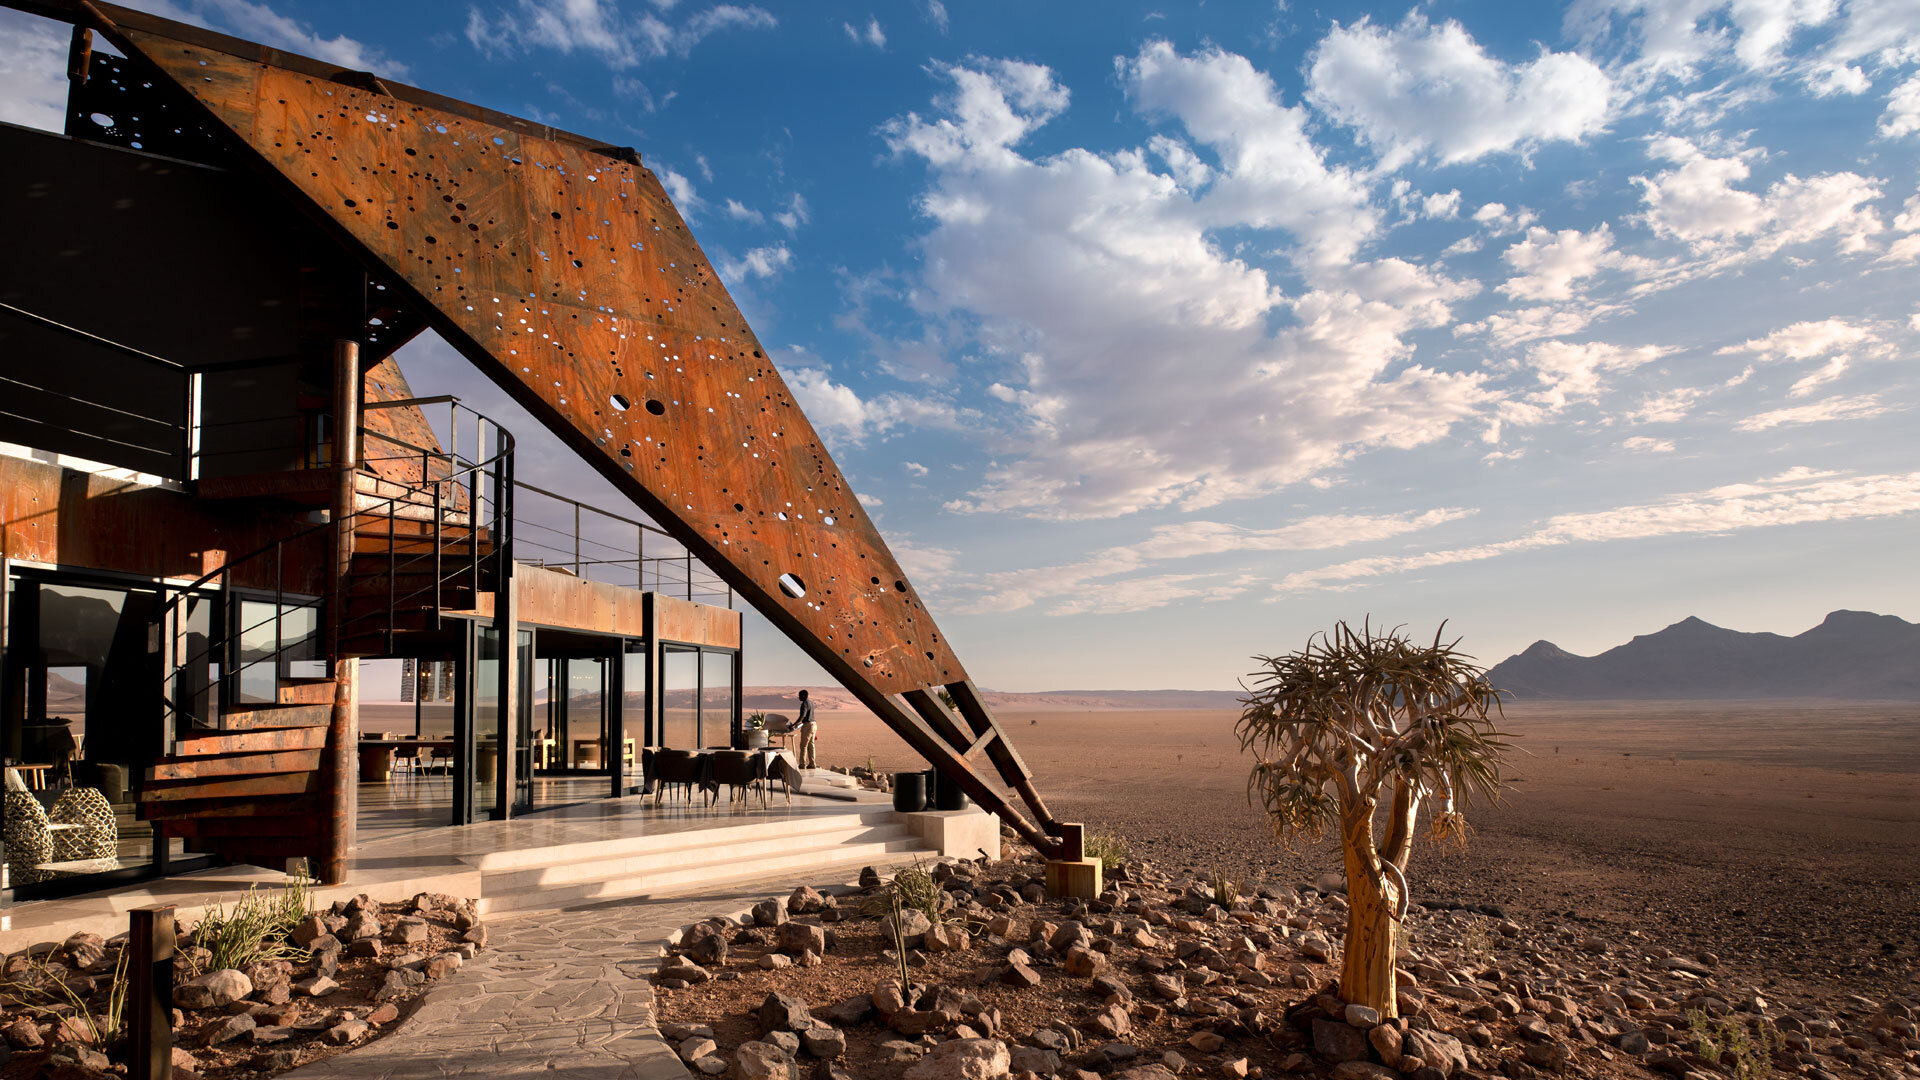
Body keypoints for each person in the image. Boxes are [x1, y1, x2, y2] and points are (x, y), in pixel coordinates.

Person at [796, 689, 817, 770]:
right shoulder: (811, 703)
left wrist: (795, 724)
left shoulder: (804, 704)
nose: (799, 697)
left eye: (800, 696)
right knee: (811, 745)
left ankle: (802, 764)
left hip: (808, 725)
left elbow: (802, 716)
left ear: (804, 696)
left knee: (803, 745)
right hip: (814, 724)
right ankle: (812, 763)